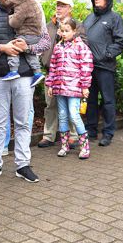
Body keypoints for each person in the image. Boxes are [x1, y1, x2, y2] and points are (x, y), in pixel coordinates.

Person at [0, 0, 49, 183]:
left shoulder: (31, 10)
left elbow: (45, 41)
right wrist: (2, 48)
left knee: (23, 122)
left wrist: (29, 48)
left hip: (25, 76)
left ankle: (23, 165)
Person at [82, 0, 123, 147]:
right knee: (91, 100)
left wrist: (106, 54)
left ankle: (108, 133)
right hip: (88, 67)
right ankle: (91, 130)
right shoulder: (89, 18)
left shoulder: (115, 18)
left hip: (105, 67)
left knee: (108, 101)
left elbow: (121, 43)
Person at [46, 18, 94, 159]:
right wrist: (50, 84)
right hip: (60, 88)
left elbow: (86, 67)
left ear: (74, 31)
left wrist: (85, 86)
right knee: (62, 115)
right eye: (62, 31)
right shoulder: (58, 47)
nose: (64, 33)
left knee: (74, 115)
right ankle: (64, 145)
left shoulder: (81, 47)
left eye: (67, 31)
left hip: (74, 88)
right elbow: (53, 67)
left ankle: (84, 146)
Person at [37, 0, 73, 148]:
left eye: (63, 6)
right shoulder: (48, 25)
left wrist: (64, 34)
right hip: (50, 72)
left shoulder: (75, 25)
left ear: (70, 9)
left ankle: (73, 136)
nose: (58, 8)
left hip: (68, 74)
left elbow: (82, 43)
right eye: (58, 5)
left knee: (70, 105)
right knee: (50, 105)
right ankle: (49, 136)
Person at [2, 0, 45, 87]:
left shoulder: (22, 7)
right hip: (36, 35)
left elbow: (14, 23)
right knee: (29, 54)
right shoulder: (33, 2)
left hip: (26, 34)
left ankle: (13, 70)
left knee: (14, 47)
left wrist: (10, 17)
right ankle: (37, 72)